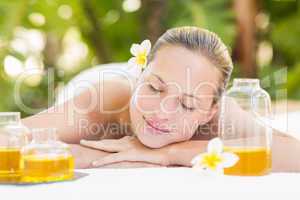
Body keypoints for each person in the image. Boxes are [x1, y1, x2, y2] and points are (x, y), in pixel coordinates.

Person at [22, 27, 300, 171]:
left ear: (209, 111)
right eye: (154, 89)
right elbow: (12, 139)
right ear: (140, 75)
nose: (163, 111)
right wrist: (91, 154)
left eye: (187, 104)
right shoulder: (106, 97)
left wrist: (168, 154)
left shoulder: (221, 114)